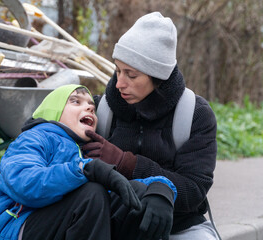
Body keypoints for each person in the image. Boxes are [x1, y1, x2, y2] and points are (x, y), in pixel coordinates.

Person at [81, 12, 219, 239]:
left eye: (131, 75)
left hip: (179, 226)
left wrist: (126, 163)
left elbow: (194, 189)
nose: (119, 84)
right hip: (112, 224)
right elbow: (53, 136)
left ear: (159, 76)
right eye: (117, 71)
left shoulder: (195, 114)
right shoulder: (101, 109)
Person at [0, 84, 177, 240]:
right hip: (10, 228)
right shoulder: (35, 138)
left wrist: (161, 189)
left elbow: (121, 189)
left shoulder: (86, 152)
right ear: (53, 111)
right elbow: (24, 183)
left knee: (138, 196)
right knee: (92, 194)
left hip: (53, 223)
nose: (89, 106)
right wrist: (85, 169)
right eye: (75, 101)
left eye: (91, 105)